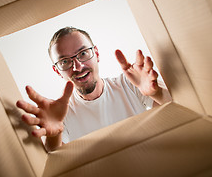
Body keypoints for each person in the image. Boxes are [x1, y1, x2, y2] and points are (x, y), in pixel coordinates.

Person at [16, 27, 172, 152]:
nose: (78, 66)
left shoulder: (130, 83)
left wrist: (156, 93)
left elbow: (178, 110)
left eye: (83, 53)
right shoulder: (60, 113)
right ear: (57, 71)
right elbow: (54, 155)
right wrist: (53, 136)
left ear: (96, 54)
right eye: (64, 62)